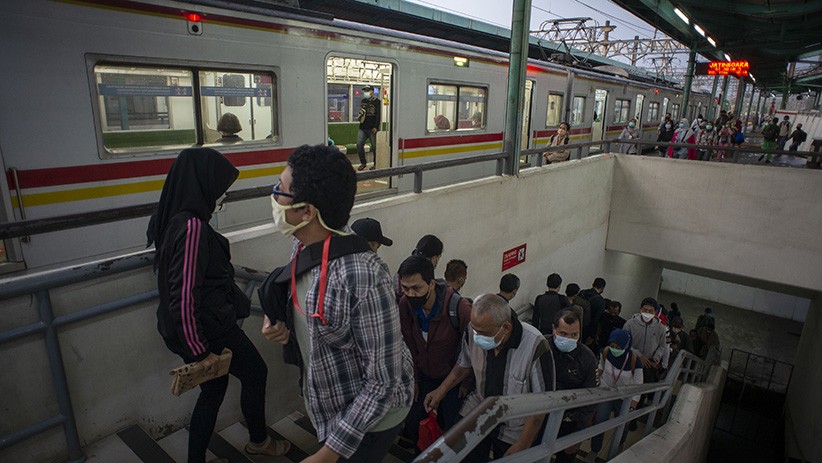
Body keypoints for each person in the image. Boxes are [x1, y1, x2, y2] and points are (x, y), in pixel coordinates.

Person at [262, 144, 414, 462]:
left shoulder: (363, 276)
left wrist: (328, 454)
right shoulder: (301, 243)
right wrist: (284, 328)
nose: (274, 196)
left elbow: (384, 382)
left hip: (372, 421)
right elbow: (317, 321)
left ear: (307, 211)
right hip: (331, 404)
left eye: (281, 190)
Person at [148, 148, 290, 463]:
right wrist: (200, 352)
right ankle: (259, 441)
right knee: (255, 371)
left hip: (195, 326)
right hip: (207, 329)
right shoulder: (193, 227)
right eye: (218, 193)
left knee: (213, 390)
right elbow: (184, 294)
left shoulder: (171, 216)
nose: (217, 201)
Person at [423, 294, 556, 462]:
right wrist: (440, 391)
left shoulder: (535, 346)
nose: (477, 337)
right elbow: (463, 366)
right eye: (474, 329)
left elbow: (542, 403)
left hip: (514, 426)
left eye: (483, 333)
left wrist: (523, 443)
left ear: (506, 328)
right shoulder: (473, 331)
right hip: (481, 408)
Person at [397, 255, 472, 454]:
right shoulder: (406, 305)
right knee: (415, 426)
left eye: (416, 288)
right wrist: (412, 378)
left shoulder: (459, 308)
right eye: (405, 288)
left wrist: (465, 383)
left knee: (451, 433)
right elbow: (409, 344)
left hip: (453, 381)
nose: (411, 294)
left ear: (431, 284)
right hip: (423, 378)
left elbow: (472, 351)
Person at [548, 309, 597, 463]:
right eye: (563, 334)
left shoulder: (587, 359)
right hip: (540, 417)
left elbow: (590, 401)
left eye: (574, 334)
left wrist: (578, 436)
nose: (569, 338)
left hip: (569, 422)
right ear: (553, 330)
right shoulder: (541, 347)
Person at [587, 329, 642, 463]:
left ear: (626, 346)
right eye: (612, 346)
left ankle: (618, 448)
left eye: (618, 347)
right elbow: (600, 368)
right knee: (600, 421)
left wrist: (632, 406)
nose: (614, 350)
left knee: (622, 425)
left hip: (625, 398)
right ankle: (594, 450)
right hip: (607, 393)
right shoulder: (605, 352)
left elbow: (638, 385)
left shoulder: (635, 361)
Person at [623, 297, 667, 404]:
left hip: (648, 365)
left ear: (655, 312)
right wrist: (639, 355)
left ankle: (635, 414)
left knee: (642, 392)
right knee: (627, 389)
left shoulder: (660, 328)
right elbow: (624, 343)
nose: (647, 313)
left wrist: (656, 358)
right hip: (631, 361)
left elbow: (662, 346)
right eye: (644, 310)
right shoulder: (630, 324)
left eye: (650, 311)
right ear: (640, 309)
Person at [578, 278, 607, 353]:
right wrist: (592, 335)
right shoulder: (600, 301)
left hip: (575, 325)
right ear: (602, 288)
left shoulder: (582, 293)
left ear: (593, 284)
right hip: (587, 330)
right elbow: (596, 319)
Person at [356, 85, 381, 171]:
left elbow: (378, 115)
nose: (365, 92)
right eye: (365, 90)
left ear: (372, 91)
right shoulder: (363, 101)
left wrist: (376, 127)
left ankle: (376, 164)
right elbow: (361, 112)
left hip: (372, 128)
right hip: (363, 127)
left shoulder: (377, 102)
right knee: (359, 145)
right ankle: (363, 163)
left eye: (367, 90)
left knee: (374, 147)